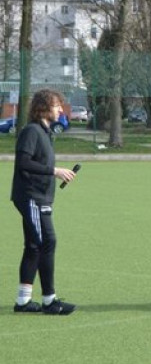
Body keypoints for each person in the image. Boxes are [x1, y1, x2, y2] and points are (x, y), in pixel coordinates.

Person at [10, 88, 77, 315]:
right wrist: (54, 171)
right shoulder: (31, 131)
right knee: (47, 242)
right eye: (57, 105)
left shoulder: (45, 132)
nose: (61, 109)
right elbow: (23, 163)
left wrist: (56, 173)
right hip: (31, 197)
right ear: (44, 107)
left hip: (41, 197)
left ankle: (23, 301)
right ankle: (50, 301)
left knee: (33, 246)